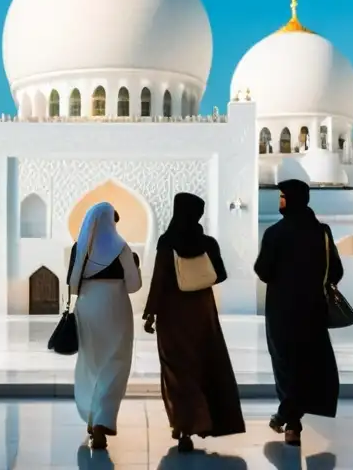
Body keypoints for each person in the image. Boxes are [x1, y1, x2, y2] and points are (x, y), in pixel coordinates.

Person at [143, 192, 245, 453]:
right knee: (202, 363)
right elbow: (219, 275)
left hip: (172, 313)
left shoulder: (167, 242)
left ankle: (183, 425)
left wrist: (150, 312)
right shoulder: (208, 243)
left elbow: (160, 279)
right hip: (201, 312)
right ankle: (203, 421)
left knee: (177, 368)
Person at [255, 179, 342, 446]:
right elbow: (336, 271)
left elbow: (263, 271)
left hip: (282, 310)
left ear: (291, 199)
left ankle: (289, 420)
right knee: (308, 363)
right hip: (313, 309)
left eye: (282, 196)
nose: (279, 201)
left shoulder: (275, 233)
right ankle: (287, 417)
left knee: (286, 363)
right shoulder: (321, 232)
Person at [67, 201, 142, 450]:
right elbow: (134, 286)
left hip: (88, 306)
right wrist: (134, 264)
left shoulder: (80, 248)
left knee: (90, 362)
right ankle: (102, 421)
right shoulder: (122, 249)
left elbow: (73, 285)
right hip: (116, 307)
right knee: (116, 362)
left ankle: (90, 415)